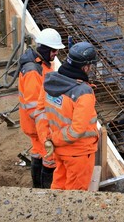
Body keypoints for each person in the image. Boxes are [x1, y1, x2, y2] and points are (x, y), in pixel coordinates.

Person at [43, 41, 99, 191]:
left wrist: (51, 138)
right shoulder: (83, 93)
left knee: (58, 187)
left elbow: (45, 114)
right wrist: (54, 139)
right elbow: (77, 130)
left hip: (60, 150)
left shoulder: (52, 82)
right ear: (85, 67)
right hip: (78, 153)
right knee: (75, 196)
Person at [18, 28, 65, 188]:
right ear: (44, 48)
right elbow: (33, 107)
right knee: (49, 158)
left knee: (38, 153)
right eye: (54, 50)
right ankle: (46, 192)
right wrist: (48, 129)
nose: (56, 53)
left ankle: (37, 187)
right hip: (38, 125)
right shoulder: (33, 71)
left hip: (34, 124)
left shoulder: (41, 64)